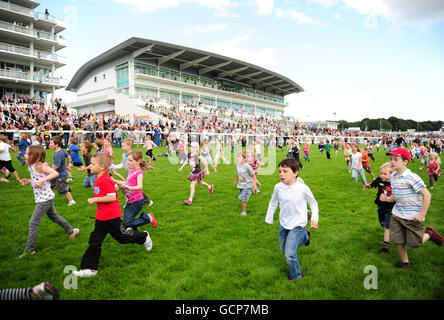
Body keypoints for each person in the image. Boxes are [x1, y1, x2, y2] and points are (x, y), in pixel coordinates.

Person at [72, 152, 153, 278]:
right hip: (101, 216)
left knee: (122, 238)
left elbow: (112, 197)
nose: (90, 166)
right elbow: (114, 187)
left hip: (111, 216)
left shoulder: (103, 179)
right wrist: (114, 185)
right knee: (95, 241)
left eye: (93, 164)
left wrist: (95, 199)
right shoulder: (102, 177)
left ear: (102, 167)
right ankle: (90, 269)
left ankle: (143, 237)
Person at [380, 147, 443, 268]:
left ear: (405, 162)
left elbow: (427, 195)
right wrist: (387, 199)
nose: (392, 162)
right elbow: (397, 195)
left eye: (396, 159)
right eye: (391, 159)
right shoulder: (393, 176)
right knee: (397, 240)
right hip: (397, 214)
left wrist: (422, 215)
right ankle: (405, 262)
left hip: (412, 216)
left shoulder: (412, 177)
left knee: (415, 243)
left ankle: (429, 234)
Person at [19, 145, 79, 259]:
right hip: (45, 197)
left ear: (34, 156)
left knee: (33, 223)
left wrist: (42, 180)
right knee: (54, 217)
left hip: (44, 199)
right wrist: (28, 181)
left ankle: (29, 250)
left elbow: (55, 174)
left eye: (27, 154)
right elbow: (36, 178)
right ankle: (71, 231)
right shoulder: (32, 165)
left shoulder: (40, 166)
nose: (24, 155)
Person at [265, 158, 319, 281]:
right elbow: (273, 202)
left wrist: (314, 218)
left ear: (295, 173)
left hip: (298, 224)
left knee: (290, 254)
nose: (281, 174)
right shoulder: (278, 187)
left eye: (285, 171)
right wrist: (269, 217)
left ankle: (297, 277)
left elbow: (313, 203)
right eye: (279, 172)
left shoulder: (302, 188)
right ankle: (306, 236)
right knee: (284, 250)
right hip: (284, 223)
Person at [112, 150, 157, 233]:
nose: (128, 162)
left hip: (136, 201)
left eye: (131, 160)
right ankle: (133, 231)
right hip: (130, 201)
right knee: (126, 222)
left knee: (127, 223)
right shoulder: (131, 171)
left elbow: (140, 186)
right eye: (128, 160)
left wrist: (129, 187)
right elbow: (126, 182)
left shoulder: (139, 172)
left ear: (138, 161)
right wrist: (114, 180)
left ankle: (148, 218)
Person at [363, 162, 395, 253]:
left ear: (391, 174)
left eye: (385, 174)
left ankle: (385, 244)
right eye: (381, 173)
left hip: (391, 207)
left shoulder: (394, 182)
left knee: (386, 226)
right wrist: (368, 186)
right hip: (380, 205)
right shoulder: (379, 180)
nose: (382, 176)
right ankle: (389, 231)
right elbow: (372, 184)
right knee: (382, 222)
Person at [49, 136, 76, 206]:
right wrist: (67, 165)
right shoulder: (61, 151)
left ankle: (72, 201)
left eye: (51, 143)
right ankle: (66, 188)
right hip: (57, 173)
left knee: (62, 189)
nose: (50, 144)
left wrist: (50, 171)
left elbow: (57, 166)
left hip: (60, 174)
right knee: (51, 185)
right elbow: (68, 157)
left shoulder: (58, 154)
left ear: (56, 144)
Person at [233, 150, 255, 216]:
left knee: (243, 198)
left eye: (240, 157)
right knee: (243, 196)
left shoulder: (247, 166)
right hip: (241, 185)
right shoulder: (237, 165)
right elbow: (237, 173)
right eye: (238, 157)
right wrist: (235, 181)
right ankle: (251, 191)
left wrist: (254, 185)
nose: (238, 158)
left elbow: (253, 175)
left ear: (245, 158)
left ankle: (244, 211)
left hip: (247, 184)